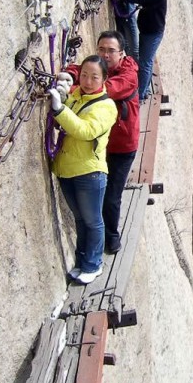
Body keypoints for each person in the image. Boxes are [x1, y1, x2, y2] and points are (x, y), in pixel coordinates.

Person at [58, 31, 140, 254]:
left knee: (111, 197)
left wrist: (72, 87)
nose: (105, 54)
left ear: (121, 54)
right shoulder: (99, 70)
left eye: (111, 50)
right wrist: (71, 73)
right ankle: (99, 240)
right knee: (98, 198)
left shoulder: (128, 75)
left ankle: (111, 240)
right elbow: (84, 69)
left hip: (122, 147)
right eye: (101, 49)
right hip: (99, 146)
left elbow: (103, 88)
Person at [48, 55, 118, 284]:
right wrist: (65, 96)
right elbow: (68, 111)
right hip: (68, 168)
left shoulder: (107, 106)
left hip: (90, 172)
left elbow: (86, 130)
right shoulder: (78, 95)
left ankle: (93, 264)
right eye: (85, 75)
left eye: (94, 77)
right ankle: (81, 263)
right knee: (80, 219)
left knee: (92, 220)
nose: (88, 81)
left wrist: (59, 109)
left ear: (104, 79)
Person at [108, 0, 167, 101]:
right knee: (144, 61)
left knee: (145, 62)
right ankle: (144, 90)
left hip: (153, 32)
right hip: (146, 29)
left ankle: (140, 96)